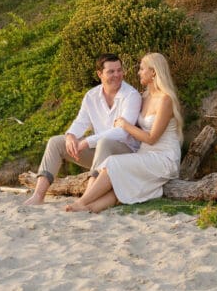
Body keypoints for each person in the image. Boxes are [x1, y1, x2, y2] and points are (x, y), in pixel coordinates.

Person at [64, 52, 183, 213]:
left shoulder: (165, 100)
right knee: (120, 181)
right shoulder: (145, 96)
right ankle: (90, 208)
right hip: (145, 155)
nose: (138, 72)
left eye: (142, 69)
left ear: (153, 72)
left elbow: (151, 138)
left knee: (113, 163)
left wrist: (125, 125)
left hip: (163, 158)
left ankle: (82, 201)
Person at [23, 53, 141, 206]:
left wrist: (86, 142)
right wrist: (71, 135)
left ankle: (86, 199)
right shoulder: (91, 96)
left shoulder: (132, 95)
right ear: (100, 74)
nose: (117, 75)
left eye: (119, 70)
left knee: (104, 142)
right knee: (56, 142)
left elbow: (122, 132)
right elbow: (80, 122)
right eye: (111, 71)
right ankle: (38, 196)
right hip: (100, 153)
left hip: (126, 153)